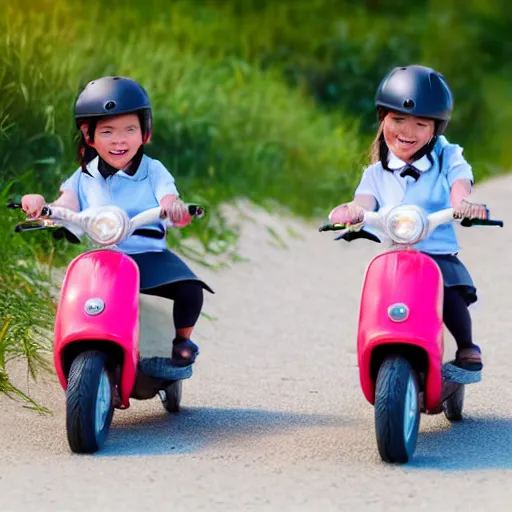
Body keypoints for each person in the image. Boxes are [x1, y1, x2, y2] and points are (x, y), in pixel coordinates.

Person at [21, 76, 212, 368]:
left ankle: (181, 340)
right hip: (100, 259)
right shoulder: (84, 175)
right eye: (107, 131)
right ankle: (76, 344)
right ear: (89, 136)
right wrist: (42, 207)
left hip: (147, 254)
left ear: (145, 133)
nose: (119, 140)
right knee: (76, 298)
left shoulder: (153, 170)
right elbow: (66, 204)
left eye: (130, 129)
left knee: (190, 289)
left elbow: (168, 198)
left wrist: (174, 208)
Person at [329, 65, 488, 372]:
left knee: (451, 289)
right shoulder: (376, 172)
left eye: (420, 123)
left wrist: (462, 204)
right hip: (394, 252)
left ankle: (467, 345)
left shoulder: (446, 157)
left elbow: (459, 180)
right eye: (398, 119)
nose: (407, 131)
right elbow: (362, 200)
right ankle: (375, 343)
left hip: (435, 250)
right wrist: (350, 212)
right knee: (378, 293)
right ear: (382, 119)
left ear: (435, 129)